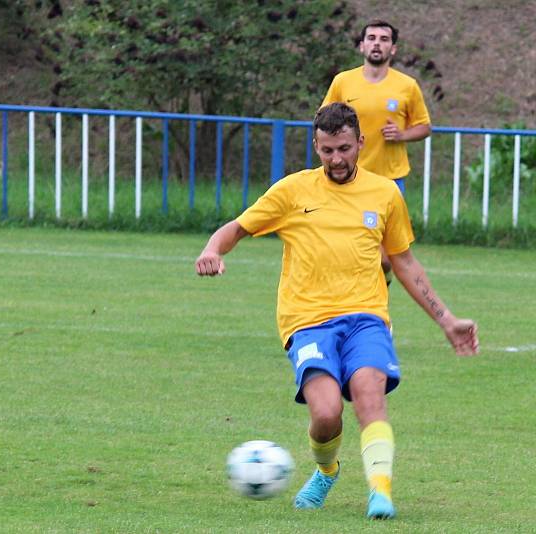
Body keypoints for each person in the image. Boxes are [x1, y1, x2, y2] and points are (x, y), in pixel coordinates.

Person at [195, 103, 478, 519]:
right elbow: (237, 227)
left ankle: (380, 493)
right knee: (326, 414)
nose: (337, 159)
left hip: (367, 317)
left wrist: (447, 319)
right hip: (307, 321)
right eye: (327, 150)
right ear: (316, 145)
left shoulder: (384, 194)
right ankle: (327, 471)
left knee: (369, 396)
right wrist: (212, 249)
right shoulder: (292, 191)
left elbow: (404, 262)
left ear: (360, 142)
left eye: (345, 148)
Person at [322, 20, 431, 280]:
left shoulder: (407, 86)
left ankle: (376, 302)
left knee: (384, 257)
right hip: (347, 179)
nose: (376, 43)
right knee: (347, 250)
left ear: (393, 49)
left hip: (388, 181)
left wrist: (403, 134)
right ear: (362, 46)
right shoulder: (343, 81)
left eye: (383, 39)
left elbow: (424, 127)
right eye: (371, 38)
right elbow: (323, 120)